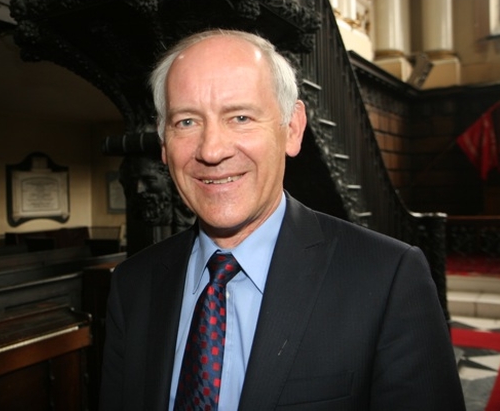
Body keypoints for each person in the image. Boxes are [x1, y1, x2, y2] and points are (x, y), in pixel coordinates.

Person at [99, 29, 465, 410]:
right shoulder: (133, 285)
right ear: (163, 144)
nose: (211, 150)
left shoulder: (388, 278)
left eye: (240, 116)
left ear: (292, 128)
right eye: (187, 122)